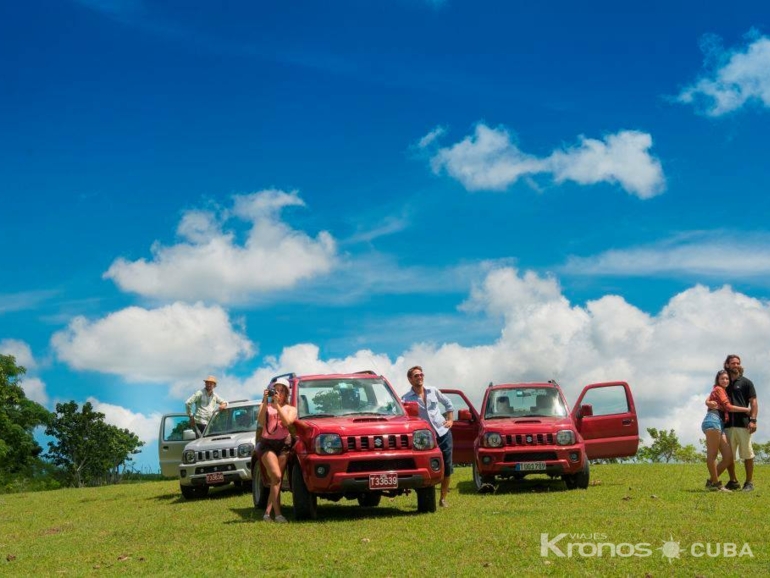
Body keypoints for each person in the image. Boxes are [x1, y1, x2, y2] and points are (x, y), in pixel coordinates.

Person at [402, 365, 454, 508]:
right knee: (428, 467)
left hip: (443, 432)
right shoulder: (405, 399)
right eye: (416, 375)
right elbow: (404, 417)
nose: (420, 377)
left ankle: (443, 498)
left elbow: (448, 404)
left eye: (421, 375)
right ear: (410, 379)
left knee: (447, 466)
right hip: (426, 438)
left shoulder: (433, 391)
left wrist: (450, 420)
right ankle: (427, 496)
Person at [701, 370, 750, 491]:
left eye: (727, 379)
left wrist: (707, 401)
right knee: (712, 455)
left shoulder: (719, 389)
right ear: (718, 380)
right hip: (713, 420)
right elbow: (728, 407)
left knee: (728, 457)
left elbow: (709, 398)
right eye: (722, 378)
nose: (725, 381)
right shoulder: (719, 389)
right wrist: (746, 410)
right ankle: (716, 485)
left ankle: (712, 481)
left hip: (720, 424)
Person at [257, 377, 297, 523]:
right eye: (276, 390)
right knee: (276, 475)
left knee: (276, 479)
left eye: (282, 391)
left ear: (286, 394)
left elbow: (287, 422)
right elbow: (261, 422)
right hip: (267, 444)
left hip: (283, 445)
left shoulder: (291, 409)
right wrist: (265, 400)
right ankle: (279, 514)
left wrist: (277, 406)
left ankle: (267, 514)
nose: (278, 394)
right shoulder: (265, 406)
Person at [722, 355, 758, 491]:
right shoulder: (723, 383)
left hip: (743, 424)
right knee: (729, 456)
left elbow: (754, 402)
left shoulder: (746, 382)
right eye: (733, 363)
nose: (735, 365)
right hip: (726, 425)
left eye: (738, 363)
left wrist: (753, 420)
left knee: (747, 454)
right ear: (727, 365)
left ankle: (749, 483)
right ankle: (733, 481)